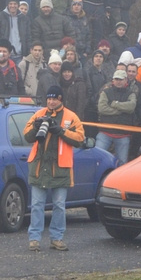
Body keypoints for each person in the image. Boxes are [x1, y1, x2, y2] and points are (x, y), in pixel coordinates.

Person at [23, 85, 86, 251]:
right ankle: (34, 239)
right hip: (39, 166)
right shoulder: (38, 114)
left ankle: (57, 238)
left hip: (60, 167)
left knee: (59, 205)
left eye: (54, 98)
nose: (51, 101)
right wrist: (37, 126)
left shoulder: (71, 117)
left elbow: (80, 138)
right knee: (37, 205)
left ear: (60, 99)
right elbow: (27, 135)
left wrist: (60, 131)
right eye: (49, 98)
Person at [96, 69, 138, 162]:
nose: (118, 82)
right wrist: (120, 111)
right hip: (105, 132)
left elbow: (131, 107)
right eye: (117, 79)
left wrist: (115, 104)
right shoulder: (105, 92)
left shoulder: (131, 93)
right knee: (97, 158)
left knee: (122, 162)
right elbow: (102, 109)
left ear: (126, 80)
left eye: (121, 79)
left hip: (123, 134)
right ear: (113, 80)